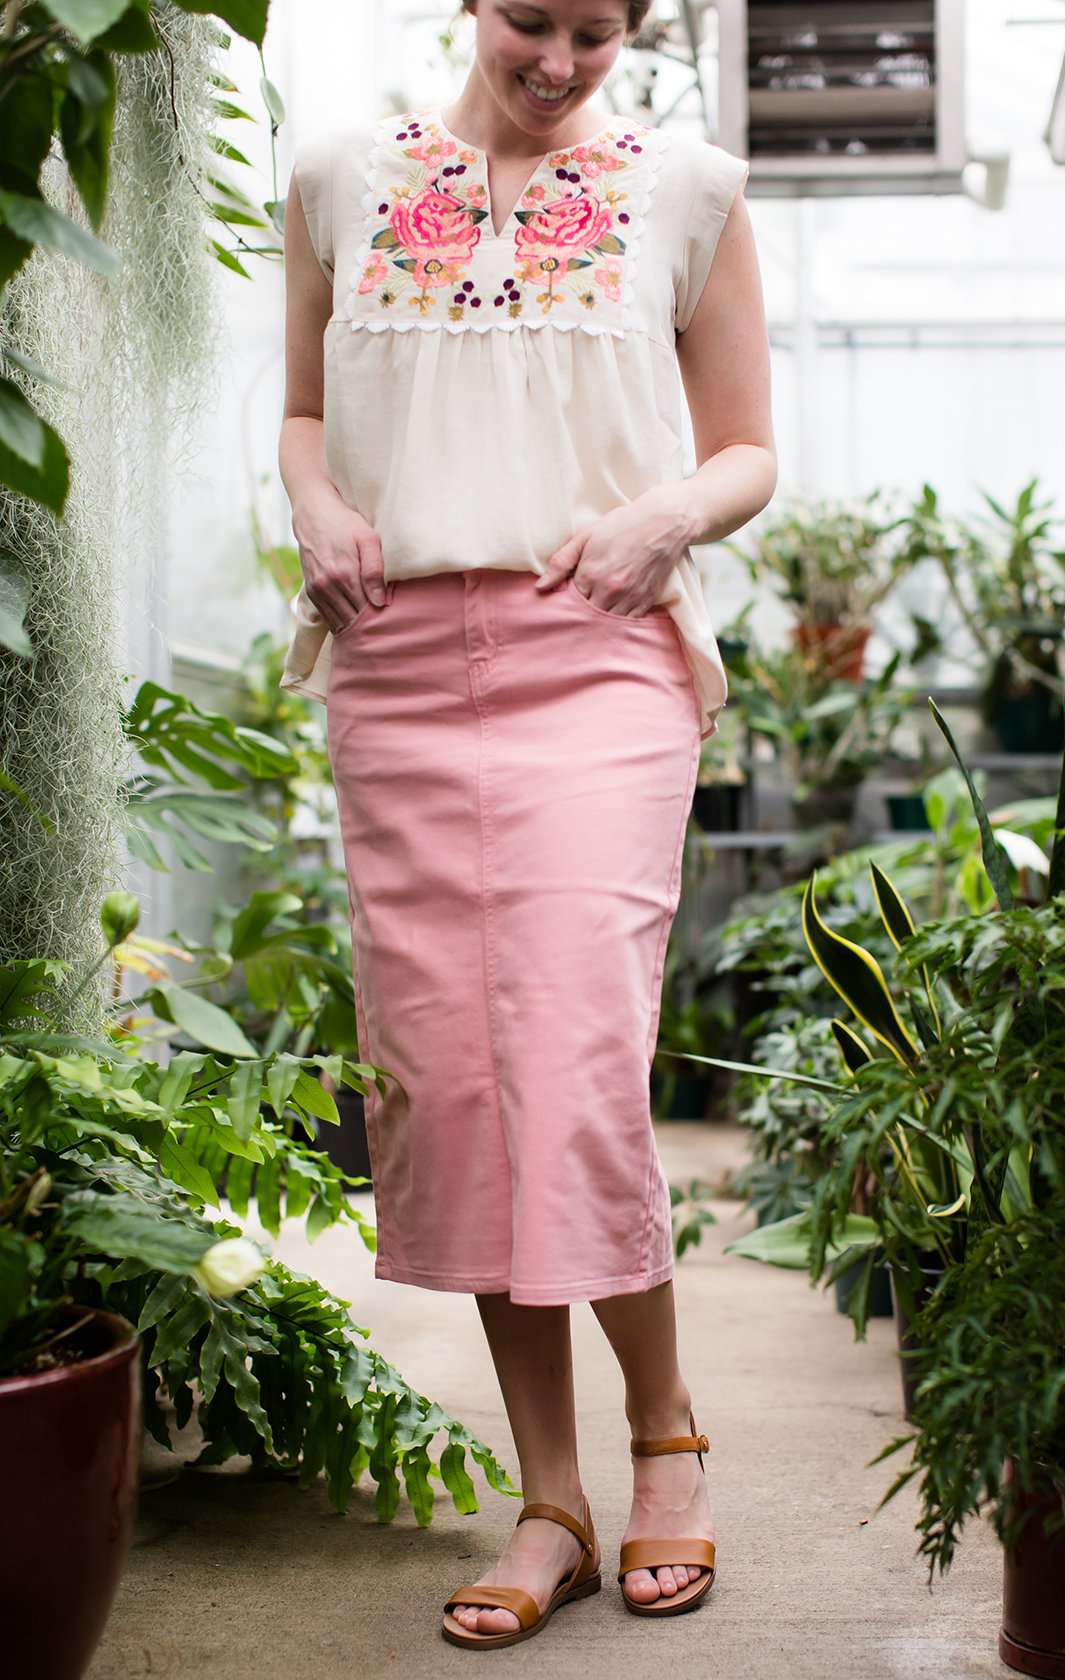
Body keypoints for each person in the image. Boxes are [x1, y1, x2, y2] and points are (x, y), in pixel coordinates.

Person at [277, 0, 775, 1651]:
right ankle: (551, 1498)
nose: (558, 59)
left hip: (598, 658)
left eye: (595, 32)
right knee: (463, 1085)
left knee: (567, 1065)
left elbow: (749, 451)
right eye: (528, 20)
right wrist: (322, 505)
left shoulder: (689, 187)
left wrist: (663, 520)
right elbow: (299, 412)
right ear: (468, 8)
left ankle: (668, 1438)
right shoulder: (342, 172)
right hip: (403, 674)